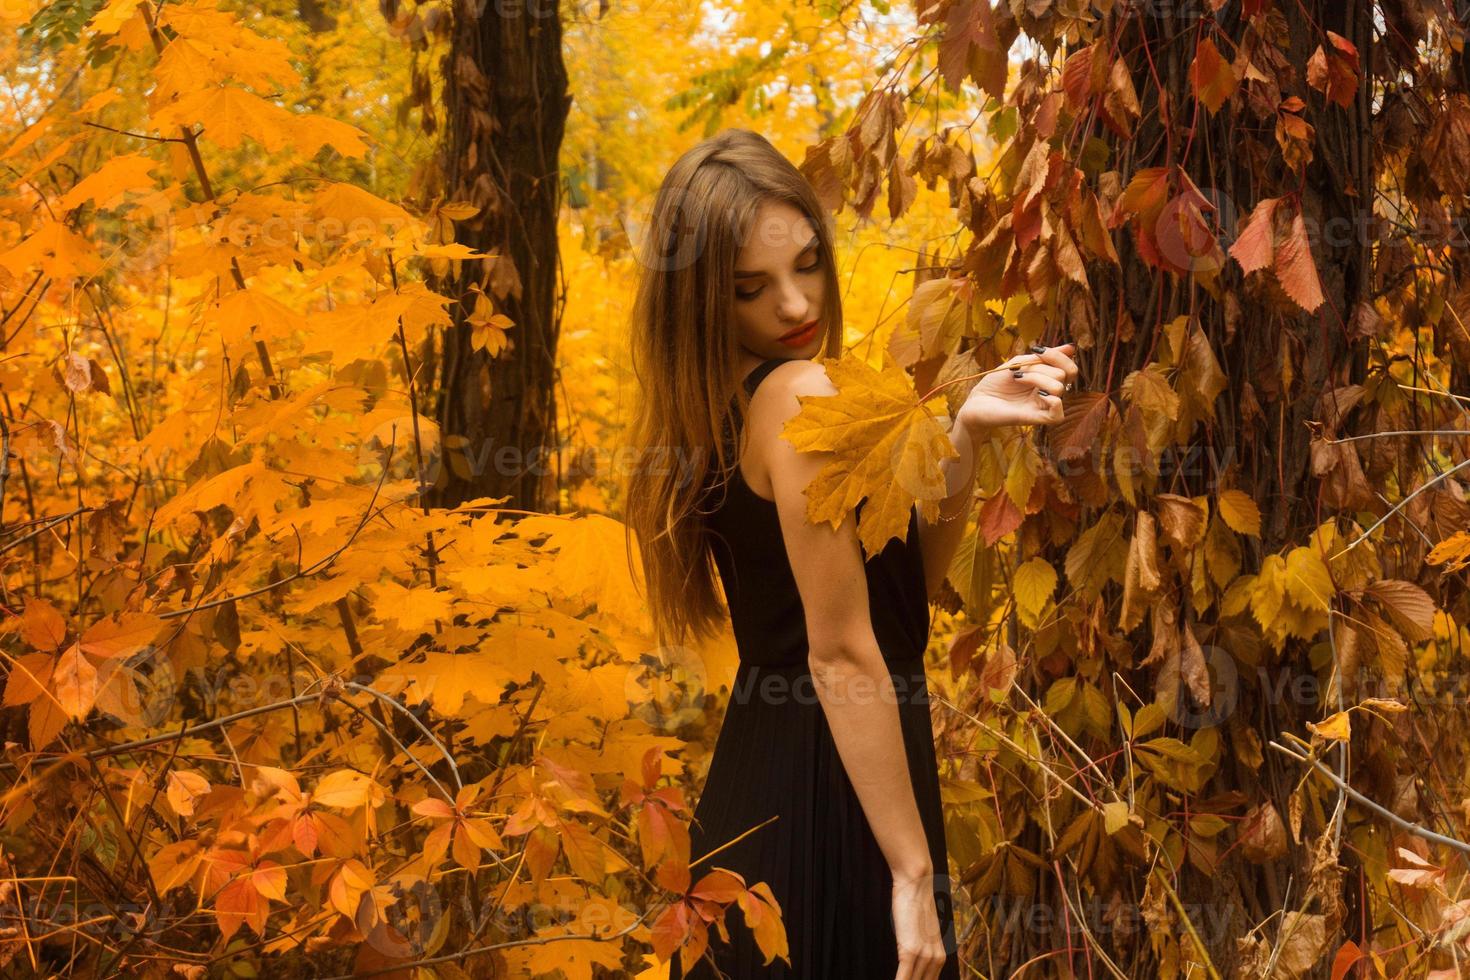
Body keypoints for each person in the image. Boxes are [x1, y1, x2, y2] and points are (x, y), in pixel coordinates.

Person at [622, 128, 1078, 979]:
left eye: (807, 266)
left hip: (774, 783)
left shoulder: (715, 407)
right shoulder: (799, 394)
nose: (795, 308)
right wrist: (911, 870)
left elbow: (904, 598)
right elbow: (838, 649)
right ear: (700, 301)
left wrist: (964, 433)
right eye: (752, 288)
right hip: (830, 794)